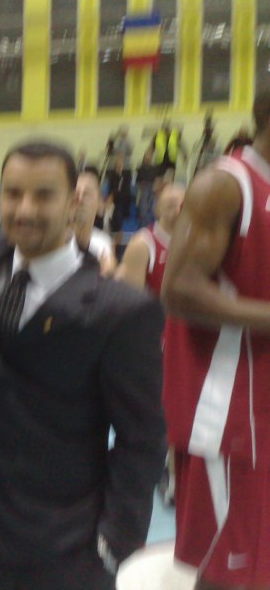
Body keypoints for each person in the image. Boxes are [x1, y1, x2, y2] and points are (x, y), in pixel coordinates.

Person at [0, 140, 166, 590]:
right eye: (13, 193)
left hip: (71, 539)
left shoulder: (121, 311)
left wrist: (116, 539)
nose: (25, 209)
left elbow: (141, 436)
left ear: (74, 203)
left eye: (44, 195)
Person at [161, 90, 270, 590]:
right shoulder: (225, 185)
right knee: (224, 569)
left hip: (261, 406)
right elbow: (179, 289)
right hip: (227, 415)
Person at [116, 183, 184, 295]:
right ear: (158, 208)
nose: (176, 210)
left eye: (180, 205)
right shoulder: (142, 244)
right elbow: (131, 301)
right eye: (170, 205)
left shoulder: (192, 243)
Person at [73, 166, 116, 275]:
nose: (80, 198)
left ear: (99, 204)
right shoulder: (53, 241)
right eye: (75, 194)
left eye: (87, 194)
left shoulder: (103, 242)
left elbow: (108, 275)